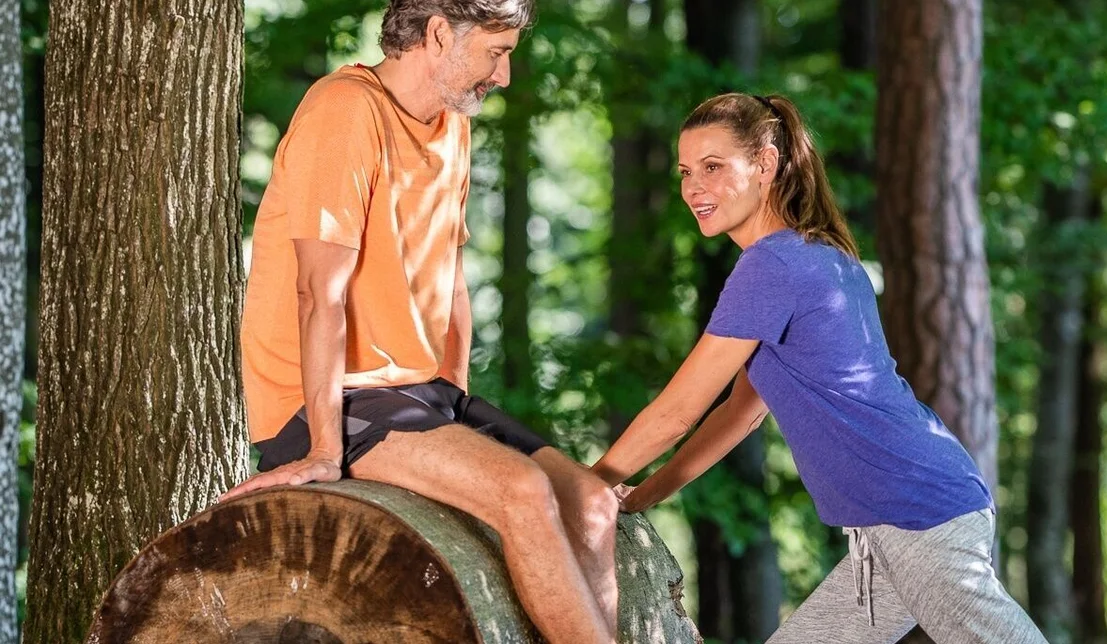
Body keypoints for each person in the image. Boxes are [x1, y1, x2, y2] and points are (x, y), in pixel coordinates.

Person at [220, 2, 619, 642]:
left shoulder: (451, 125)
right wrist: (325, 451)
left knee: (592, 505)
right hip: (321, 400)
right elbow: (316, 294)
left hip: (417, 393)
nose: (505, 75)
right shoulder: (345, 110)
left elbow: (449, 278)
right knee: (521, 491)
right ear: (438, 34)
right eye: (496, 52)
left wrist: (453, 399)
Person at [592, 92, 1048, 644]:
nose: (693, 187)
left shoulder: (773, 264)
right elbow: (740, 413)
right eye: (687, 171)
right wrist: (645, 492)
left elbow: (678, 411)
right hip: (891, 528)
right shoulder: (816, 254)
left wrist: (587, 487)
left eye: (714, 167)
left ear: (765, 163)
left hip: (918, 513)